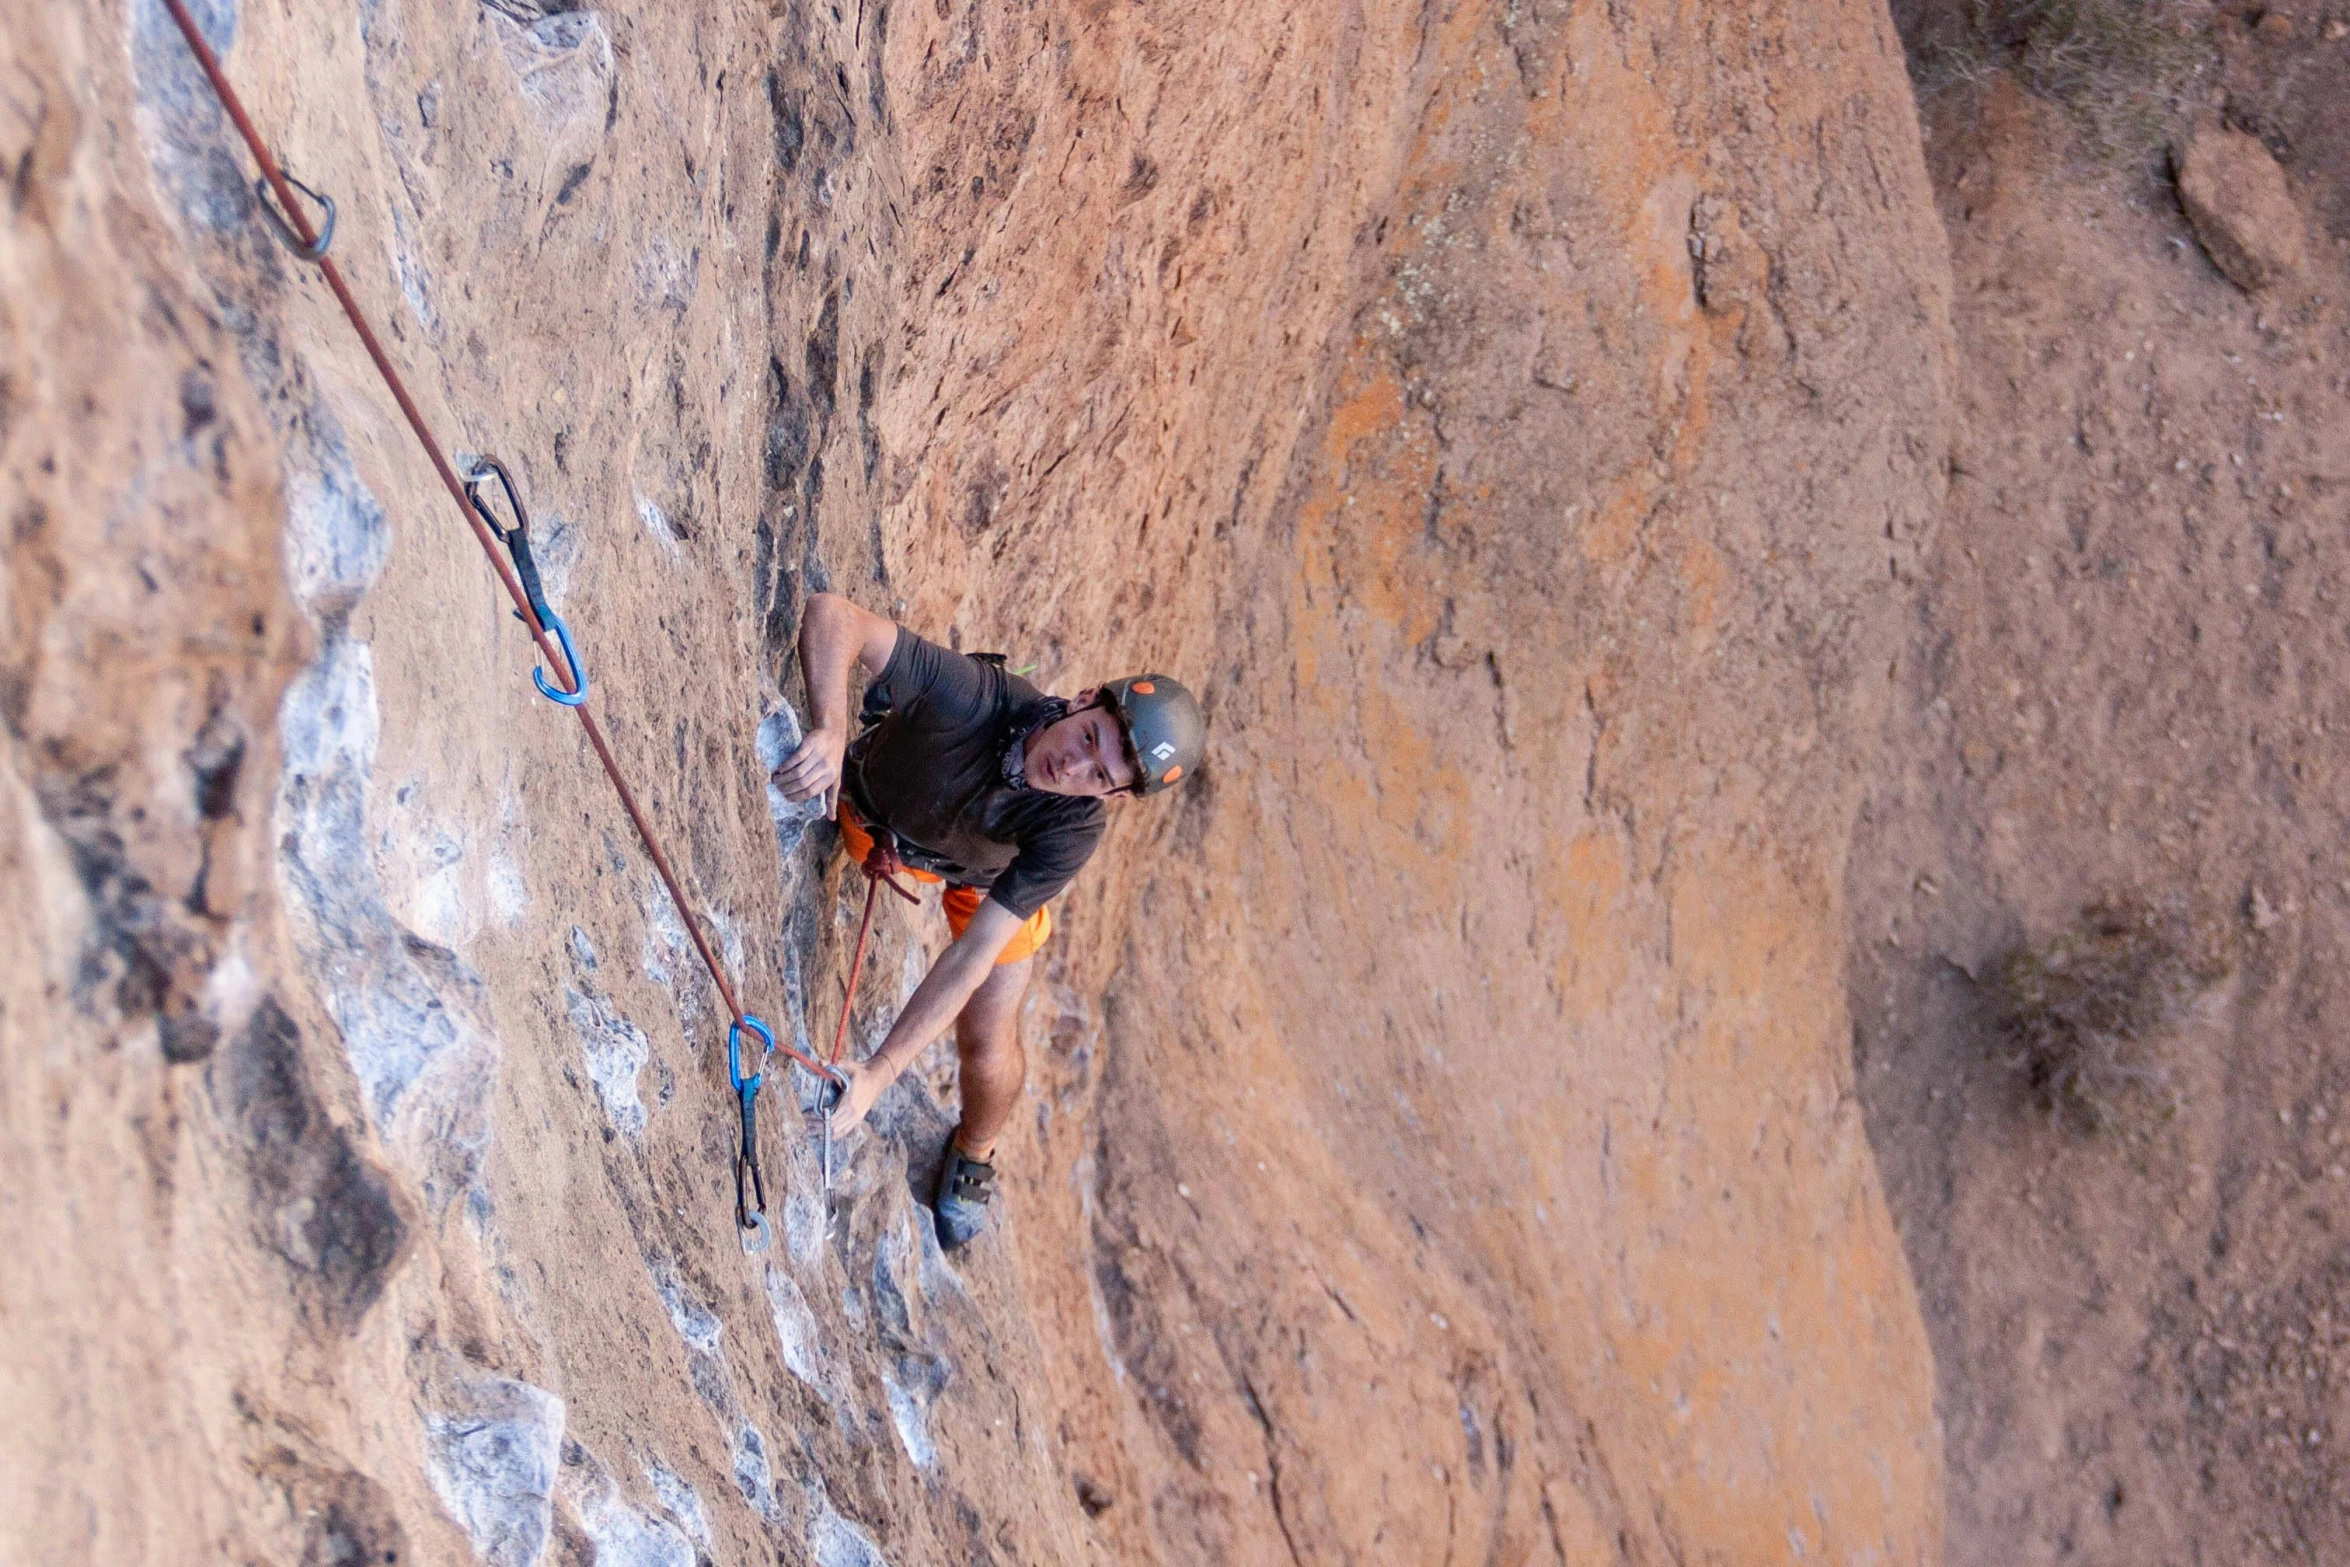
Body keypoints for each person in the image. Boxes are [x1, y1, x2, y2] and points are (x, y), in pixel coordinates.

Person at [772, 593, 1204, 1249]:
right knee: (874, 832)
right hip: (881, 820)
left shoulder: (1073, 828)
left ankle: (976, 1149)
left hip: (986, 880)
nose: (1073, 765)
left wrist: (880, 1072)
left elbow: (972, 957)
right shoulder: (976, 698)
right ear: (1082, 697)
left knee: (991, 1035)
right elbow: (835, 615)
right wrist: (831, 728)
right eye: (1088, 736)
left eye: (1100, 774)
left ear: (1114, 795)